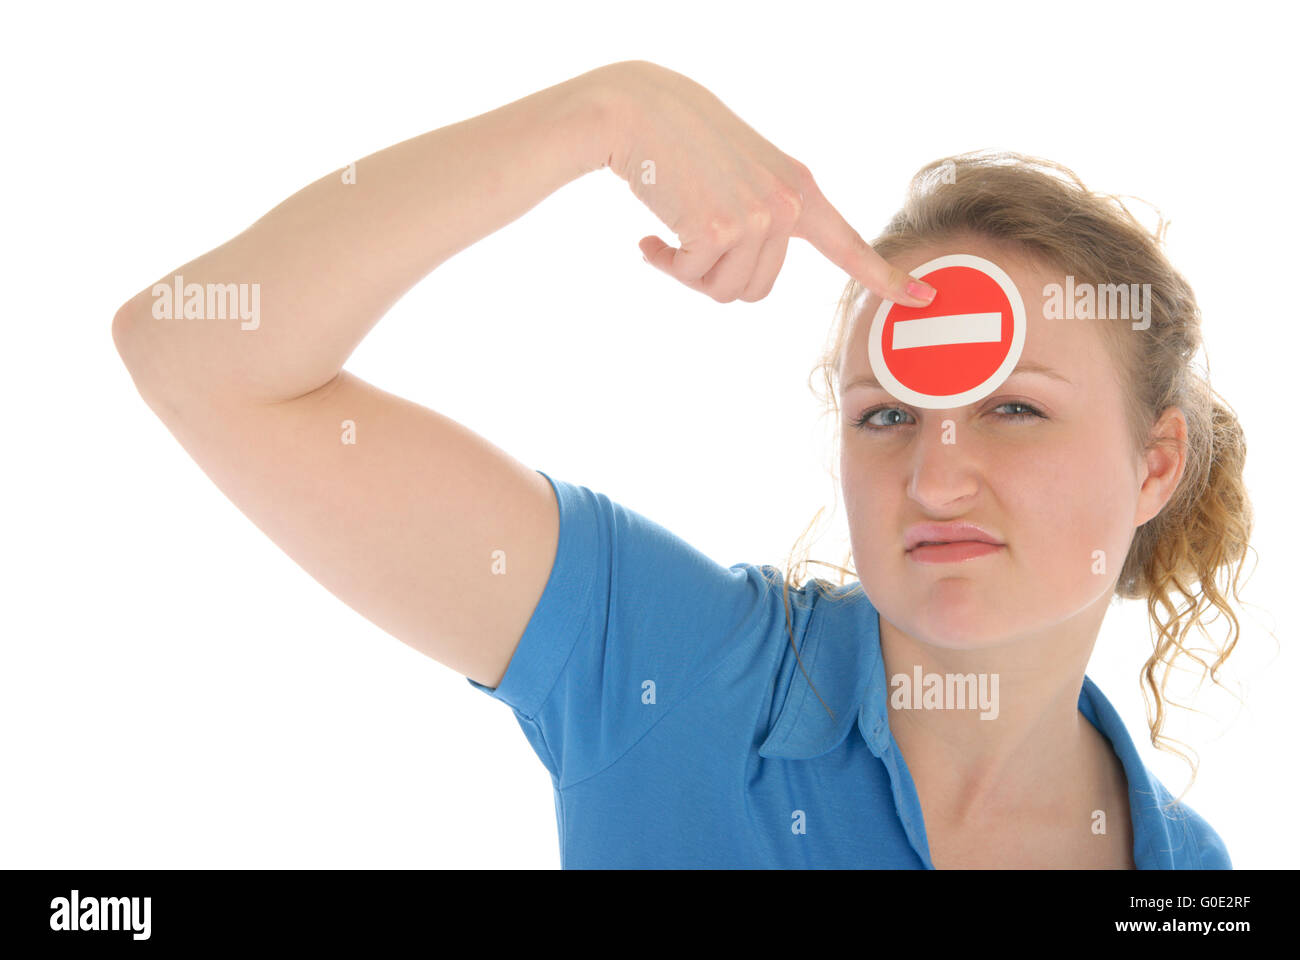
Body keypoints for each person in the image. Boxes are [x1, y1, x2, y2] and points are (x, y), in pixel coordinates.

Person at [112, 60, 1249, 868]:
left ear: (1153, 466)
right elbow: (198, 355)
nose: (938, 479)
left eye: (1011, 408)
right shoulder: (667, 662)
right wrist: (601, 112)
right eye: (887, 419)